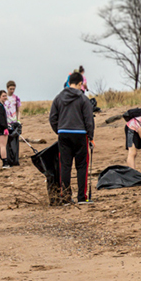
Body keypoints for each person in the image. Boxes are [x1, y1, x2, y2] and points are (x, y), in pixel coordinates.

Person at [49, 72, 94, 204]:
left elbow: (52, 118)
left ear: (69, 82)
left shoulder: (58, 98)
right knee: (81, 166)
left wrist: (59, 130)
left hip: (64, 133)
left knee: (65, 165)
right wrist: (90, 136)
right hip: (80, 134)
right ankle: (82, 197)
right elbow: (89, 120)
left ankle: (66, 197)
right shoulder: (83, 99)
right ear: (80, 84)